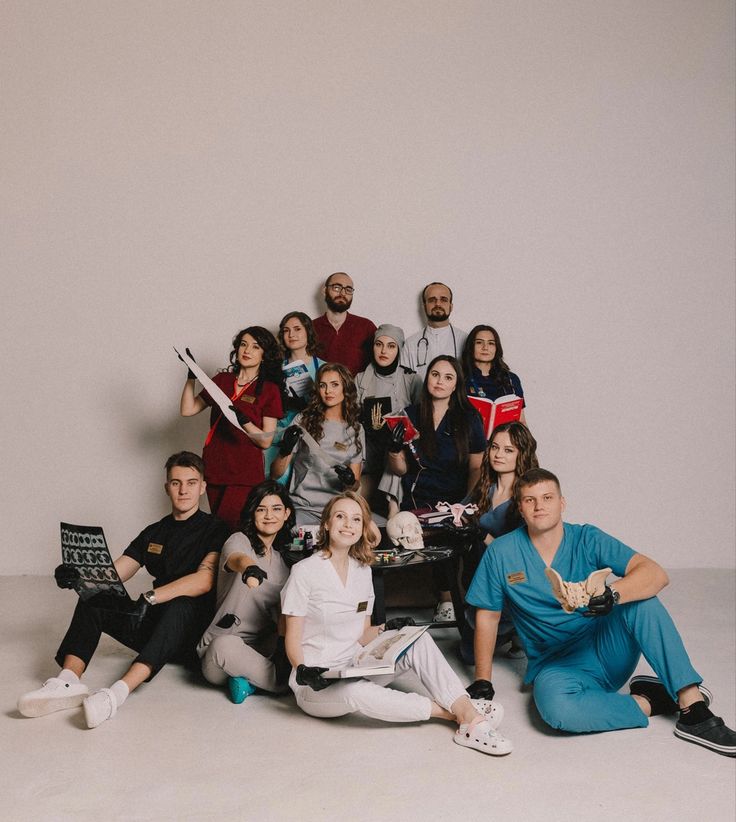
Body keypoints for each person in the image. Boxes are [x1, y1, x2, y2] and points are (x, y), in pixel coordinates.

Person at [465, 468, 736, 757]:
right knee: (557, 711)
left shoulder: (587, 538)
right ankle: (652, 700)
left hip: (607, 647)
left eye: (547, 497)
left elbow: (655, 573)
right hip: (556, 665)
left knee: (643, 601)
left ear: (562, 502)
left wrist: (613, 595)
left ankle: (693, 707)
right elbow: (488, 616)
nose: (539, 505)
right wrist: (483, 681)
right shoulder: (502, 552)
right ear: (520, 507)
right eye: (529, 500)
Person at [281, 492, 513, 756]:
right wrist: (303, 669)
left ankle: (464, 709)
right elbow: (292, 638)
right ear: (326, 523)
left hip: (355, 664)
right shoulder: (305, 572)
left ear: (362, 527)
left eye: (356, 519)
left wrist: (388, 629)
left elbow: (362, 633)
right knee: (356, 693)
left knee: (419, 638)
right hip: (317, 682)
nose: (348, 524)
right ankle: (457, 715)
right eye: (340, 517)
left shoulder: (362, 570)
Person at [18, 452, 229, 729]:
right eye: (176, 483)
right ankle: (67, 680)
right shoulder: (154, 531)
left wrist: (151, 597)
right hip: (153, 626)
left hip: (191, 636)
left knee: (182, 605)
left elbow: (204, 580)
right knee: (97, 598)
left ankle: (115, 694)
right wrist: (78, 578)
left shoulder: (216, 528)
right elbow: (115, 574)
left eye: (191, 482)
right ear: (167, 487)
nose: (184, 490)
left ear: (202, 486)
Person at [387, 355, 486, 622]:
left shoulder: (469, 418)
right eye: (435, 374)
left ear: (456, 385)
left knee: (460, 532)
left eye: (448, 377)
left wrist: (468, 503)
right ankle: (445, 598)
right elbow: (400, 470)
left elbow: (477, 467)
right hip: (418, 497)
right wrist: (394, 449)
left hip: (456, 498)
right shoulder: (409, 414)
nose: (440, 381)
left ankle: (461, 601)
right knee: (418, 528)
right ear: (426, 378)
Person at [198, 481, 295, 702]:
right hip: (221, 649)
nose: (269, 515)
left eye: (276, 509)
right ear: (252, 513)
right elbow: (236, 558)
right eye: (261, 509)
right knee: (224, 647)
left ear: (287, 513)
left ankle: (250, 682)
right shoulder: (239, 540)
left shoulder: (283, 564)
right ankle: (281, 685)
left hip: (259, 648)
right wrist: (249, 568)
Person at [180, 326, 284, 530]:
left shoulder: (269, 390)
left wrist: (244, 421)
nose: (247, 350)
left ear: (264, 355)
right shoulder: (222, 381)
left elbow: (265, 440)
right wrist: (191, 376)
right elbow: (188, 409)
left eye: (255, 347)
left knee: (232, 529)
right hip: (215, 466)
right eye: (243, 344)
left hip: (244, 473)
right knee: (217, 528)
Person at [461, 422, 540, 661]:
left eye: (508, 450)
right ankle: (505, 632)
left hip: (515, 581)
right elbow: (460, 513)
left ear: (522, 454)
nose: (498, 454)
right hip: (480, 575)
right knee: (467, 655)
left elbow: (522, 552)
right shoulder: (486, 487)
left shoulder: (528, 494)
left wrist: (482, 535)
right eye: (494, 447)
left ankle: (517, 628)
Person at [270, 363, 365, 524]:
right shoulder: (303, 420)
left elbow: (354, 487)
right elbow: (275, 474)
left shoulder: (355, 429)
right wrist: (284, 451)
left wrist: (349, 481)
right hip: (302, 507)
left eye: (335, 385)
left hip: (337, 510)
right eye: (323, 385)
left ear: (346, 388)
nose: (328, 391)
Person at [355, 324, 421, 514]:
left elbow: (422, 421)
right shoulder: (360, 379)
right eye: (379, 344)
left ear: (399, 350)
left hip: (396, 454)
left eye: (391, 346)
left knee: (395, 452)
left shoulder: (411, 379)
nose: (384, 351)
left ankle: (393, 509)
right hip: (368, 449)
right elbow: (349, 419)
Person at [263, 312, 326, 482]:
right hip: (278, 437)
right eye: (286, 330)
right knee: (275, 483)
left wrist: (309, 403)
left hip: (311, 439)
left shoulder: (324, 368)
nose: (291, 335)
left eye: (297, 329)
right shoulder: (273, 368)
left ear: (308, 332)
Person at [312, 272, 376, 375]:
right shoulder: (311, 328)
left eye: (348, 289)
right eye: (337, 287)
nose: (343, 293)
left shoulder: (366, 327)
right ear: (324, 291)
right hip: (322, 390)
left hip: (358, 390)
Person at [461, 324, 527, 425]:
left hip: (504, 439)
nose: (485, 347)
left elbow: (521, 420)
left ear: (497, 348)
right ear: (471, 346)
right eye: (479, 342)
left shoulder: (511, 379)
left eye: (491, 343)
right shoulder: (460, 378)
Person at [400, 282, 467, 380]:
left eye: (443, 300)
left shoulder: (465, 340)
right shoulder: (410, 344)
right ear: (424, 306)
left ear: (451, 306)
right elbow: (405, 383)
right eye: (432, 300)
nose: (438, 304)